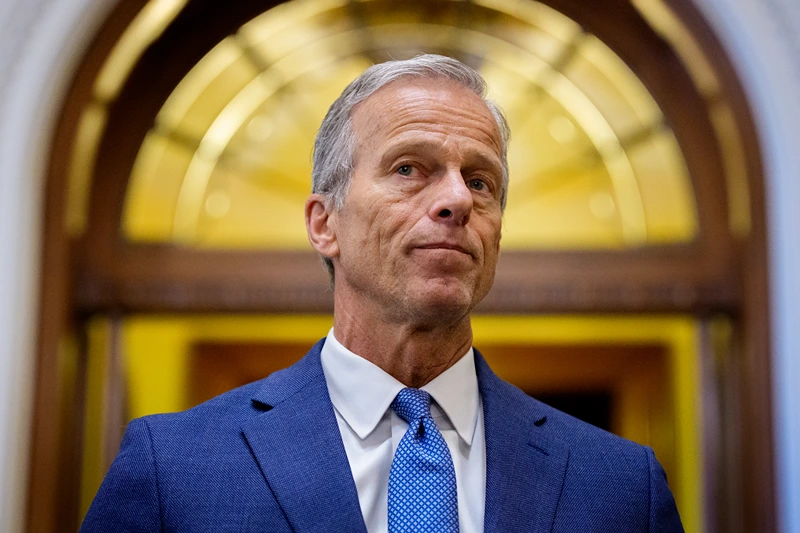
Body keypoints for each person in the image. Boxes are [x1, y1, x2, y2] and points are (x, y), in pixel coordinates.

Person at [81, 54, 683, 532]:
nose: (458, 200)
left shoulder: (622, 487)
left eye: (481, 181)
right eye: (408, 169)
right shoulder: (175, 468)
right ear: (324, 224)